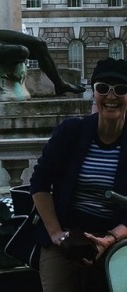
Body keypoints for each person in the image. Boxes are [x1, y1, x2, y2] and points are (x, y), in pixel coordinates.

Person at [30, 57, 127, 292]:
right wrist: (56, 235)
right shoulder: (71, 131)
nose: (111, 96)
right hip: (67, 236)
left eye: (121, 89)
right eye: (103, 88)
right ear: (94, 93)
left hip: (118, 238)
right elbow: (39, 183)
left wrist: (112, 239)